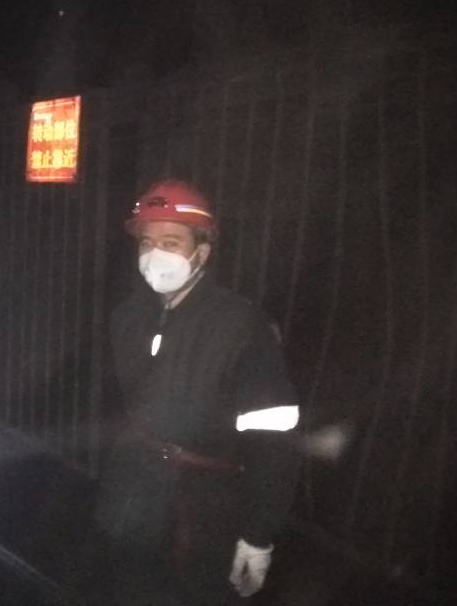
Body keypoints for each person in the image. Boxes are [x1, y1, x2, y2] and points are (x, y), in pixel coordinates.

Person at [95, 179, 299, 605]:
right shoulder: (127, 318)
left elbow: (273, 436)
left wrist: (258, 535)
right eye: (147, 242)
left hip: (205, 509)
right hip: (132, 499)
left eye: (171, 242)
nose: (155, 254)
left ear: (201, 252)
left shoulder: (241, 327)